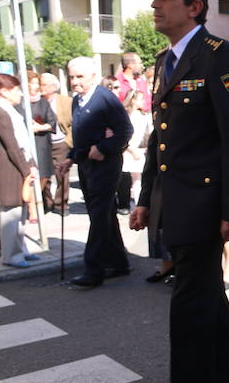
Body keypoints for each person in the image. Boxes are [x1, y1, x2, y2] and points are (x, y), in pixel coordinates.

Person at [130, 0, 229, 383]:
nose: (155, 5)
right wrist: (143, 199)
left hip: (204, 207)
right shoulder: (166, 60)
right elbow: (161, 142)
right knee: (206, 303)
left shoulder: (217, 55)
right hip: (175, 203)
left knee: (190, 312)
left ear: (194, 6)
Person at [55, 58, 132, 288]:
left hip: (105, 164)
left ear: (93, 76)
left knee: (98, 216)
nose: (75, 81)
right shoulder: (77, 100)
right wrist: (70, 158)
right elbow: (82, 135)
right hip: (87, 164)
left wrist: (103, 147)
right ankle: (119, 262)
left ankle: (93, 270)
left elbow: (125, 130)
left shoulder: (105, 99)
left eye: (80, 77)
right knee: (104, 214)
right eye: (72, 77)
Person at [0, 74, 38, 268]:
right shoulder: (0, 112)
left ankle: (21, 250)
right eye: (16, 89)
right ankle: (11, 256)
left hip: (17, 166)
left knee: (20, 211)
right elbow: (12, 145)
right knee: (11, 213)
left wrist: (30, 165)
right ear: (4, 91)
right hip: (8, 168)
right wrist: (26, 169)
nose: (21, 93)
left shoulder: (8, 110)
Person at [39, 73, 73, 215]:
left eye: (43, 84)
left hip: (61, 143)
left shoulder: (66, 101)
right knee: (44, 174)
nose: (41, 87)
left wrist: (68, 141)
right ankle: (47, 202)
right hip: (43, 142)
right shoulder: (37, 101)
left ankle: (61, 204)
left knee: (62, 175)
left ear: (53, 86)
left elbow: (74, 124)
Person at [23, 71, 57, 212]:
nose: (36, 86)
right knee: (30, 174)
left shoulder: (43, 102)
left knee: (44, 174)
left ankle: (36, 201)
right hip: (27, 142)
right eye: (33, 82)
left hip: (42, 142)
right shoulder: (21, 101)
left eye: (38, 83)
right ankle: (30, 206)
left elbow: (52, 121)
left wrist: (40, 127)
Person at [117, 90, 151, 216]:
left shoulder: (143, 115)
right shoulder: (126, 115)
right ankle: (124, 204)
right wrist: (130, 148)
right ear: (133, 100)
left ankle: (138, 204)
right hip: (127, 150)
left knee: (138, 180)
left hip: (139, 150)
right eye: (140, 99)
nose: (142, 102)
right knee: (124, 179)